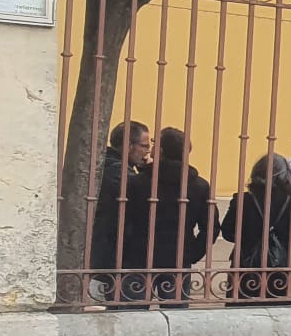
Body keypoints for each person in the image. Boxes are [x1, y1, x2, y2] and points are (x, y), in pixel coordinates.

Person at [135, 128, 212, 303]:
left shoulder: (139, 182)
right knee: (176, 316)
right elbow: (210, 227)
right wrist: (193, 253)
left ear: (160, 151)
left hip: (140, 254)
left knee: (132, 312)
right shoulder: (199, 185)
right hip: (178, 256)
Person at [217, 154, 291, 300]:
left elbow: (227, 231)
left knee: (242, 307)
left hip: (245, 264)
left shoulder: (243, 200)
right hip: (279, 265)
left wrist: (248, 239)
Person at [88, 121, 152, 303]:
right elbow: (141, 192)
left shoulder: (113, 164)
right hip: (110, 252)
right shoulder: (115, 169)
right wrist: (149, 171)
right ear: (128, 146)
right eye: (144, 146)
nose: (148, 152)